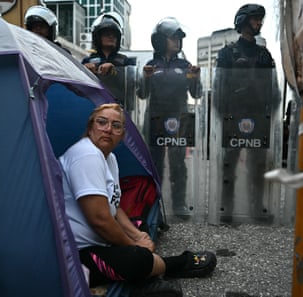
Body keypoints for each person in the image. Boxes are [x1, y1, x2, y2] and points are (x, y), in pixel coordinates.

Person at [59, 103, 216, 293]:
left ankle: (145, 282)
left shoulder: (109, 158)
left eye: (116, 125)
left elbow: (113, 206)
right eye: (102, 122)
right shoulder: (86, 155)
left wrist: (136, 234)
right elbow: (99, 220)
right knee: (137, 258)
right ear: (91, 127)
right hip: (75, 254)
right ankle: (176, 264)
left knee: (139, 226)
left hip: (102, 243)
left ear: (123, 135)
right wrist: (134, 245)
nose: (108, 129)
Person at [215, 4, 277, 223]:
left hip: (259, 116)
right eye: (254, 19)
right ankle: (226, 208)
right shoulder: (227, 54)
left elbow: (274, 89)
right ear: (242, 21)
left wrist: (272, 113)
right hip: (234, 115)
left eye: (260, 18)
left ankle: (257, 208)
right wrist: (224, 116)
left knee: (258, 166)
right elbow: (219, 87)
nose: (259, 22)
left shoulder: (264, 55)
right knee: (229, 164)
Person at [137, 17, 202, 217]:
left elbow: (197, 94)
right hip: (155, 118)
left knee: (178, 162)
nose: (177, 41)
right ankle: (155, 202)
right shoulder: (151, 64)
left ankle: (179, 204)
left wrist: (196, 77)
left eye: (179, 38)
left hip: (179, 118)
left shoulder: (185, 65)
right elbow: (142, 94)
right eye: (173, 38)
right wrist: (145, 78)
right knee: (154, 161)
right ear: (160, 40)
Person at [82, 12, 136, 110]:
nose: (111, 37)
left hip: (120, 110)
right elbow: (79, 88)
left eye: (114, 35)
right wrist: (83, 71)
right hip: (94, 109)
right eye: (107, 34)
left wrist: (114, 70)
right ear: (98, 37)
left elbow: (134, 86)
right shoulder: (87, 61)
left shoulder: (126, 61)